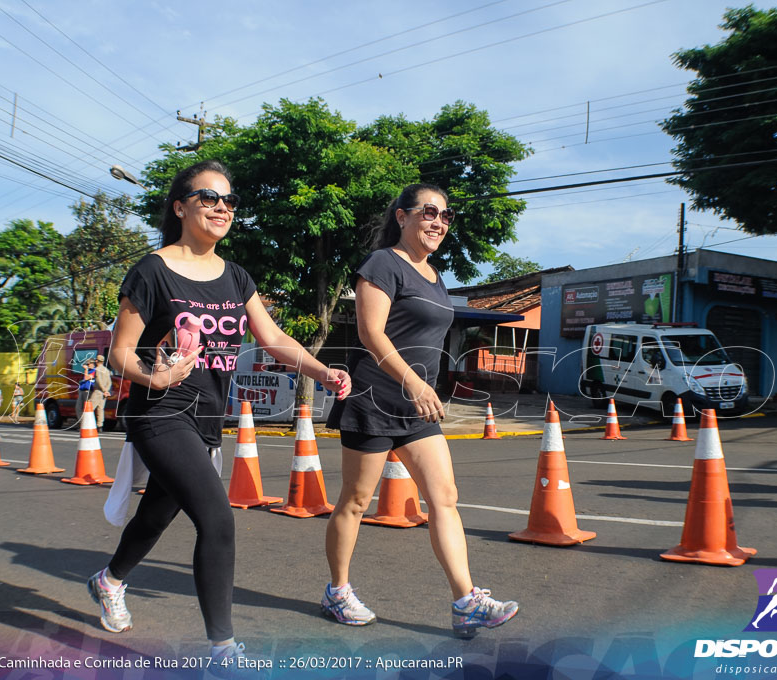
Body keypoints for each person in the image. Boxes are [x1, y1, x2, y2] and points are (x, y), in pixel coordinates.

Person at [86, 160, 351, 670]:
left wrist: (322, 372)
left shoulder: (236, 277)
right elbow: (120, 351)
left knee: (157, 514)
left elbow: (272, 339)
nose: (222, 207)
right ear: (180, 206)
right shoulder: (151, 271)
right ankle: (222, 651)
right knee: (218, 518)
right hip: (160, 411)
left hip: (207, 416)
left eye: (228, 200)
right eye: (209, 197)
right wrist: (154, 377)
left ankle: (109, 580)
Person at [324, 183, 519, 637]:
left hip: (416, 409)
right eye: (429, 212)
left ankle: (466, 601)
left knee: (444, 497)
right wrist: (412, 380)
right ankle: (337, 591)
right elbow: (372, 334)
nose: (438, 222)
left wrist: (425, 388)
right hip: (374, 399)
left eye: (446, 216)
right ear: (402, 217)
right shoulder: (382, 264)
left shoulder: (433, 276)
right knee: (354, 502)